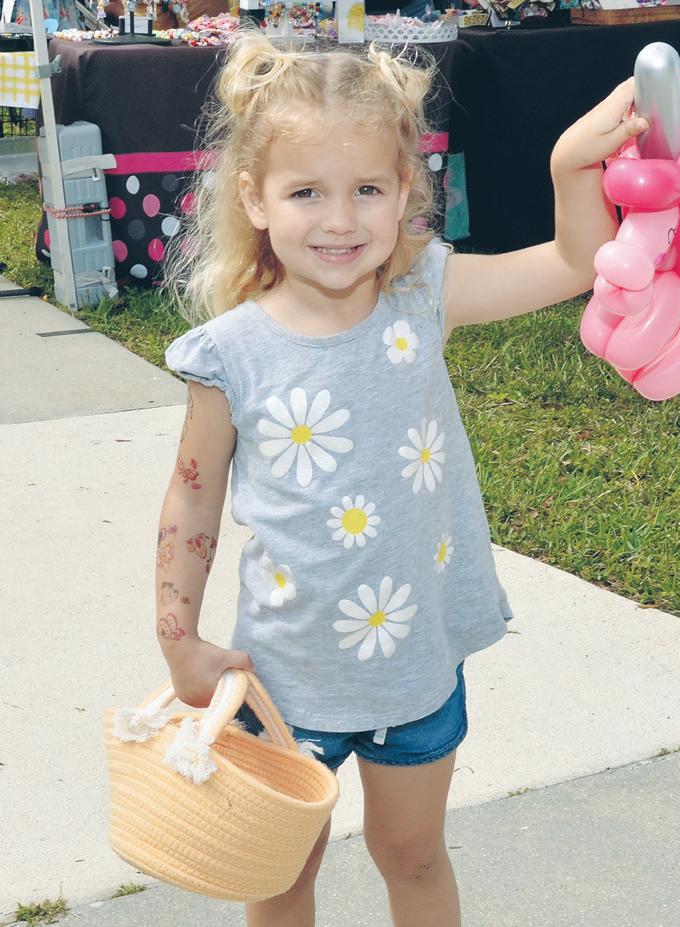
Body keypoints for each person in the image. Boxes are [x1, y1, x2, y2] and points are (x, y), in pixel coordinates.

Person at [157, 31, 648, 927]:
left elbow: (573, 263)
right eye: (306, 191)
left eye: (367, 190)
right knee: (279, 873)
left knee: (412, 854)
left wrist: (569, 165)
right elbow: (191, 498)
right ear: (254, 198)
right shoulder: (229, 354)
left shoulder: (422, 299)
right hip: (282, 678)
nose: (340, 220)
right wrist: (177, 636)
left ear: (404, 193)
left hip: (414, 665)